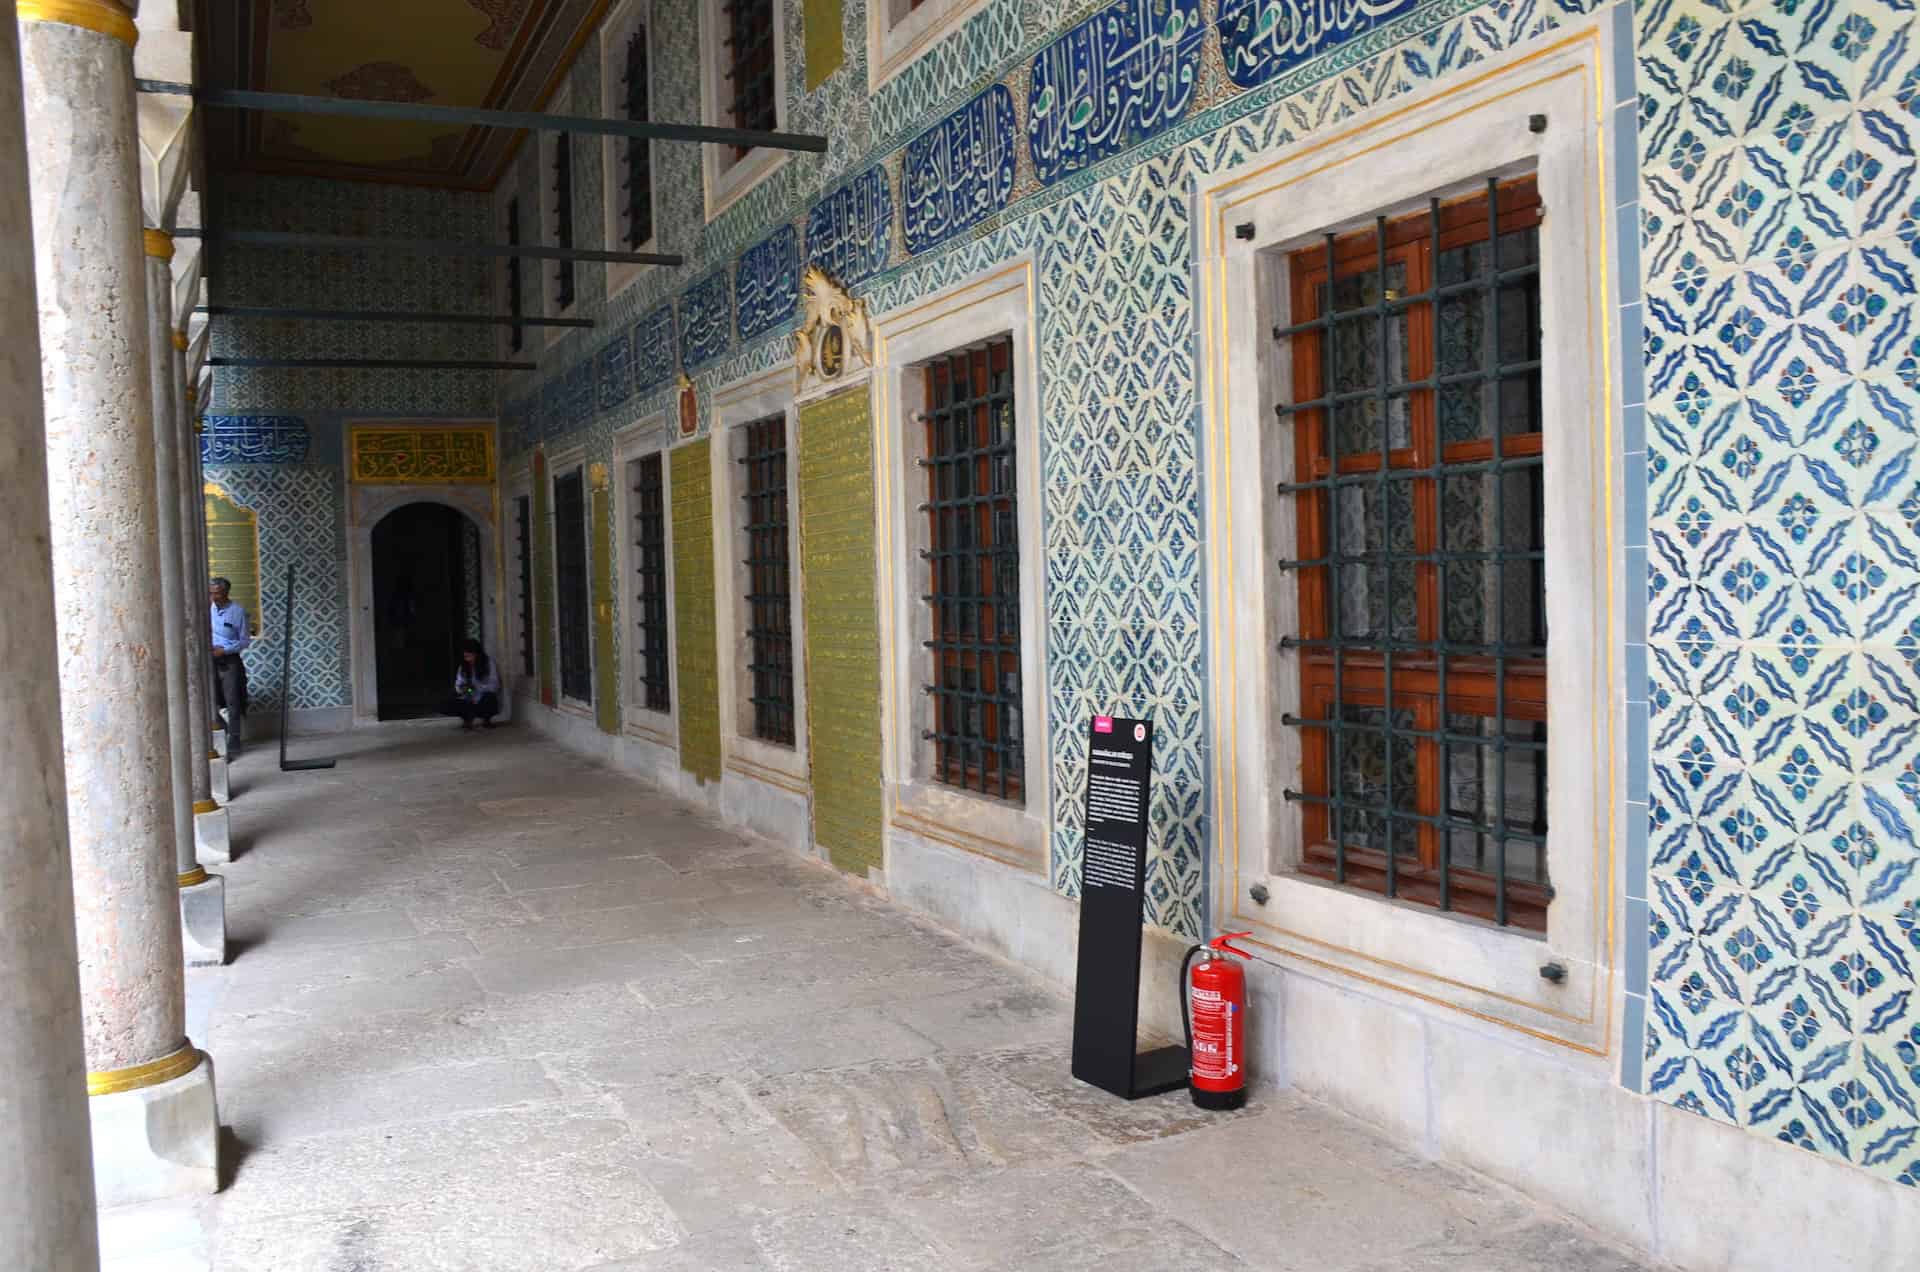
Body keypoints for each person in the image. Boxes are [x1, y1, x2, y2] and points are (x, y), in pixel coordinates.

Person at [209, 577, 251, 759]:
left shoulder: (238, 612)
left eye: (217, 593)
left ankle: (234, 740)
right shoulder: (205, 609)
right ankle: (222, 731)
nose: (213, 596)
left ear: (226, 592)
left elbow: (244, 641)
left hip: (229, 660)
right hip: (208, 660)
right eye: (211, 593)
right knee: (210, 700)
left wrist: (224, 650)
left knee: (232, 701)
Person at [442, 639, 501, 730]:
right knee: (449, 701)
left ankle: (486, 719)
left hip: (482, 699)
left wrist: (479, 687)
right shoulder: (463, 666)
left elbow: (495, 685)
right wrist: (463, 688)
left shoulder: (488, 663)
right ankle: (467, 719)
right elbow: (458, 684)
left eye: (470, 656)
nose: (468, 659)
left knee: (490, 698)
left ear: (477, 654)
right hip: (469, 699)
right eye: (466, 656)